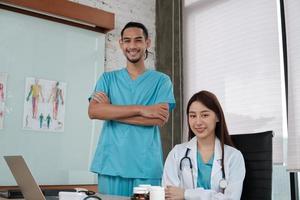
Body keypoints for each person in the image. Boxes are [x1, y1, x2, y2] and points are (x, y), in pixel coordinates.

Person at [88, 22, 176, 197]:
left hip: (146, 166)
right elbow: (94, 112)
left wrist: (110, 111)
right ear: (121, 44)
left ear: (147, 43)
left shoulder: (161, 81)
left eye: (138, 40)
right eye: (127, 41)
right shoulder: (107, 79)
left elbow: (158, 119)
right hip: (110, 164)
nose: (132, 46)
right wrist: (141, 109)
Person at [162, 90, 245, 200]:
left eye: (204, 115)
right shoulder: (177, 153)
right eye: (192, 116)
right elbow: (169, 195)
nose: (198, 122)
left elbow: (231, 198)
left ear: (217, 117)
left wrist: (186, 194)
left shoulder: (233, 157)